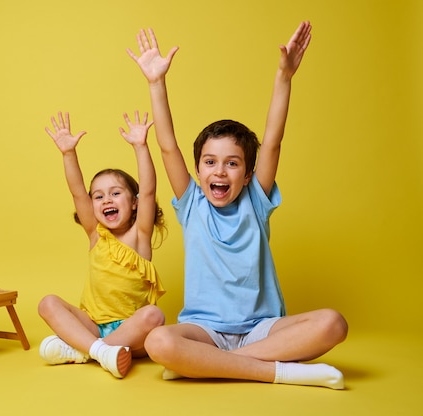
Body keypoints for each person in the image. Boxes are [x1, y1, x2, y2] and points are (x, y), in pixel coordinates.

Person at [127, 21, 349, 389]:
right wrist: (155, 83)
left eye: (232, 163)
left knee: (333, 323)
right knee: (158, 340)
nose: (220, 171)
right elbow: (168, 146)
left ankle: (212, 366)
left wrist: (284, 76)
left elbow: (273, 140)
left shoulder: (256, 201)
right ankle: (281, 372)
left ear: (247, 174)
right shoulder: (192, 204)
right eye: (210, 162)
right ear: (197, 170)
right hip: (205, 330)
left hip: (263, 330)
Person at [38, 110, 167, 378]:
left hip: (134, 333)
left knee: (154, 316)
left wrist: (141, 146)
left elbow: (150, 189)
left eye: (115, 193)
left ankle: (85, 351)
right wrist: (68, 154)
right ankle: (101, 350)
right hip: (93, 325)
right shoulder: (96, 235)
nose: (106, 200)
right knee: (47, 303)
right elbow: (76, 191)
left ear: (134, 203)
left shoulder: (139, 235)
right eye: (98, 196)